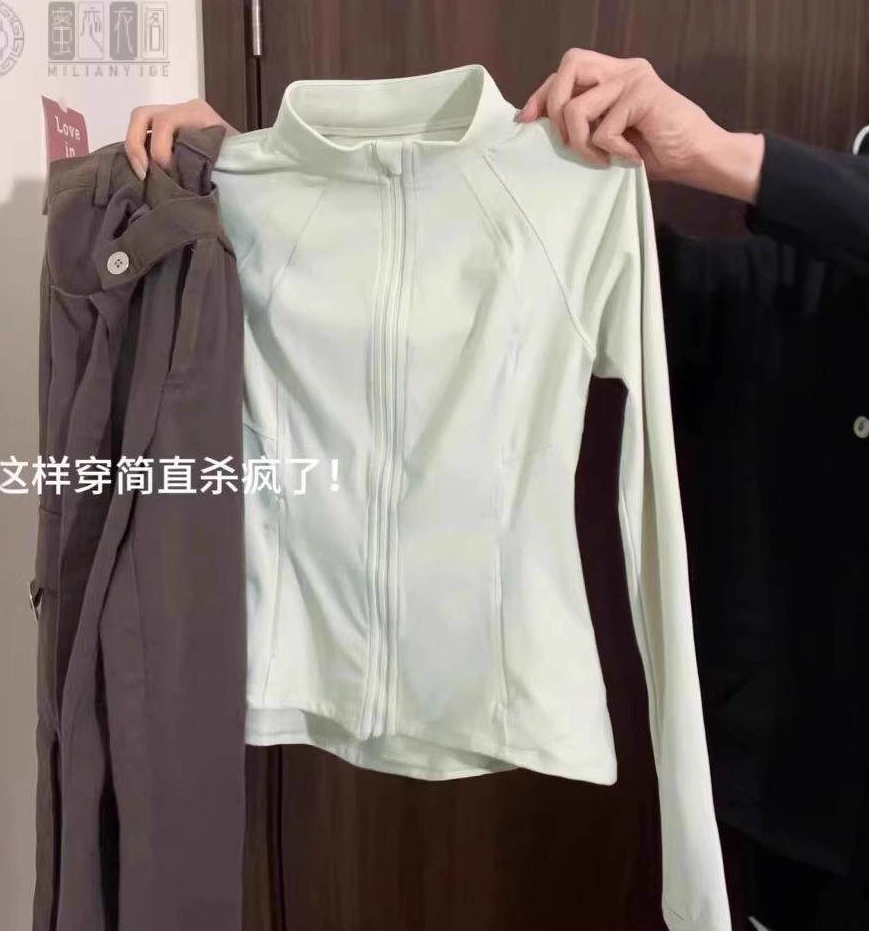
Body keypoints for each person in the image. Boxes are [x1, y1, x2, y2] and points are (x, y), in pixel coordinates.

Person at [123, 51, 869, 930]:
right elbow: (495, 264)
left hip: (692, 737)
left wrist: (715, 153)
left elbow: (650, 505)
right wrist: (248, 174)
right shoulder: (775, 285)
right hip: (796, 798)